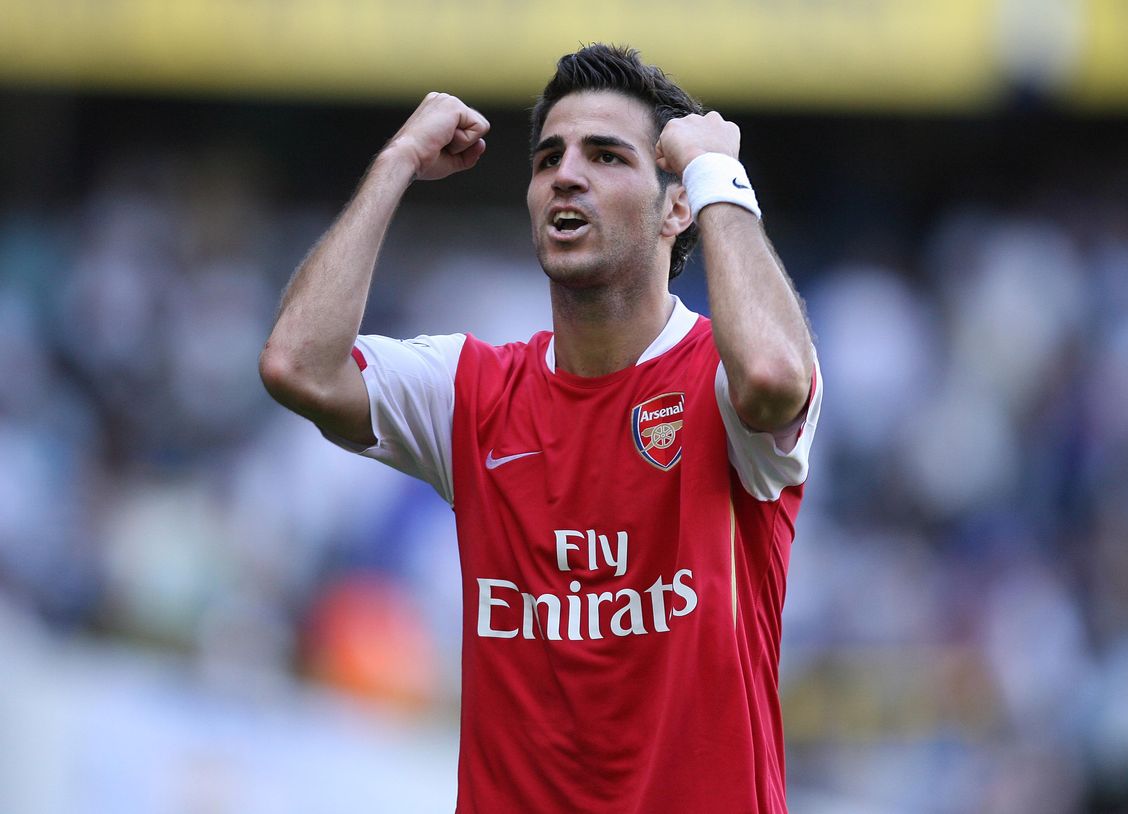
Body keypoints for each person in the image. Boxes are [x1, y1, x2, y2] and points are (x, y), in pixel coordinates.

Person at [260, 43, 822, 814]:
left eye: (607, 156)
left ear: (676, 207)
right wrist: (394, 162)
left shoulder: (720, 383)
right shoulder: (472, 391)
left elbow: (773, 378)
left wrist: (717, 173)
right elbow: (297, 365)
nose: (567, 174)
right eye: (549, 157)